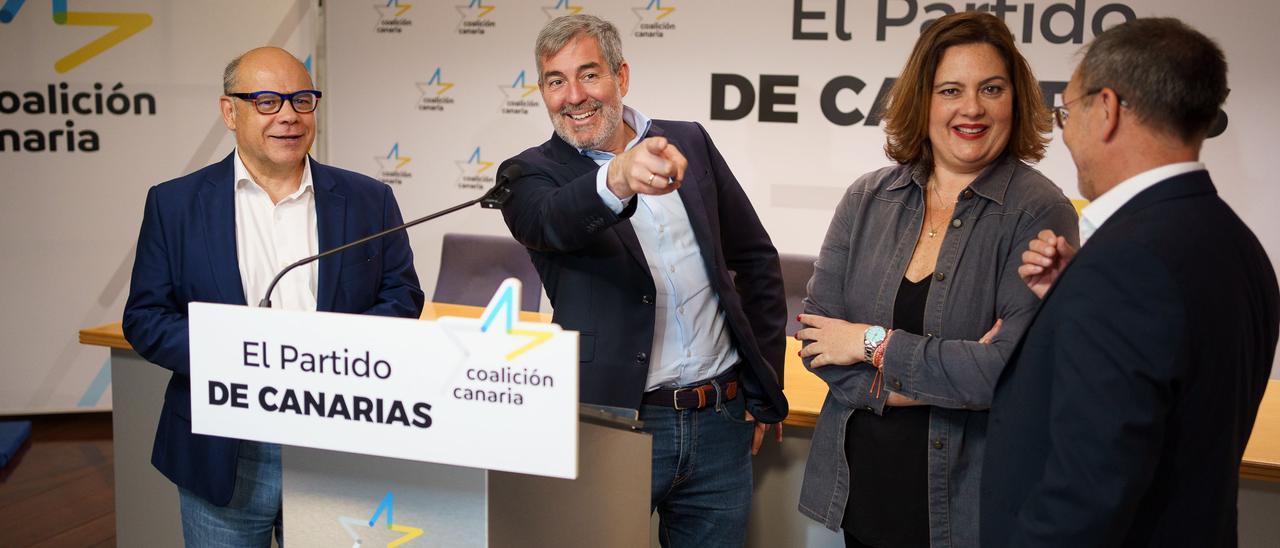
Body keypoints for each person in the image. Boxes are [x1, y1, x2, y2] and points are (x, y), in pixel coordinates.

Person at [980, 18, 1280, 547]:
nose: (1066, 132)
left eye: (1067, 112)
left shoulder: (1125, 269)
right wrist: (1077, 294)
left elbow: (1085, 496)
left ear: (1109, 109)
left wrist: (1096, 288)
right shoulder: (1238, 245)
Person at [498, 14, 787, 547]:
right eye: (555, 81)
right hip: (612, 425)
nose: (573, 96)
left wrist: (764, 383)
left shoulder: (689, 142)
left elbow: (756, 259)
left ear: (621, 77)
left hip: (721, 421)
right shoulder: (526, 176)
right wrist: (617, 177)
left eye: (588, 74)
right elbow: (553, 221)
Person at [794, 12, 1078, 548]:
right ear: (922, 100)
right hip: (861, 497)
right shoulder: (868, 198)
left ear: (1014, 99)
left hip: (969, 513)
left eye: (991, 89)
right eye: (951, 89)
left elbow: (1006, 375)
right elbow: (815, 341)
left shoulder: (1040, 212)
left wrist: (868, 343)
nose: (971, 108)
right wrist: (941, 377)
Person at [122, 47, 424, 546]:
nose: (288, 115)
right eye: (266, 101)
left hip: (340, 441)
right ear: (229, 112)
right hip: (224, 450)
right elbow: (147, 318)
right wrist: (241, 356)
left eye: (301, 100)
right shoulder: (174, 204)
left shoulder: (370, 199)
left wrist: (333, 353)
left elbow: (401, 295)